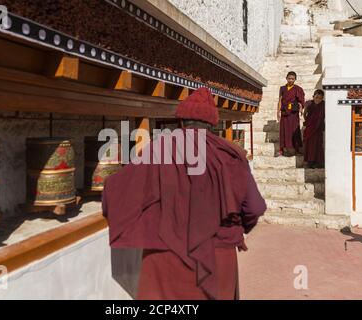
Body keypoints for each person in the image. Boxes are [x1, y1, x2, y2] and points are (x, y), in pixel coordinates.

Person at [102, 87, 267, 300]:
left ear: (180, 122)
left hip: (166, 257)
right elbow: (254, 207)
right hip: (217, 258)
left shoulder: (158, 150)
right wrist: (232, 229)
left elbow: (116, 192)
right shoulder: (231, 155)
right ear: (211, 125)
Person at [277, 72, 305, 157]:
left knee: (294, 131)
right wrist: (278, 111)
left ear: (295, 79)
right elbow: (280, 99)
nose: (291, 80)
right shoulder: (282, 88)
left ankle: (296, 149)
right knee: (283, 131)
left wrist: (301, 108)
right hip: (284, 112)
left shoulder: (298, 89)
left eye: (292, 79)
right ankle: (281, 149)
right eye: (289, 78)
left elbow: (301, 101)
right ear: (286, 78)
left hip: (293, 113)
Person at [303, 89, 325, 168]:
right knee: (310, 145)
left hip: (318, 127)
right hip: (310, 127)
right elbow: (305, 113)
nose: (318, 99)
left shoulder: (324, 104)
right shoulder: (309, 103)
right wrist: (308, 121)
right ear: (313, 97)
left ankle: (319, 162)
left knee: (318, 145)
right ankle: (310, 161)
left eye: (320, 98)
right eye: (316, 97)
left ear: (322, 98)